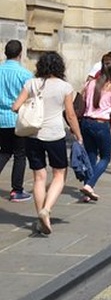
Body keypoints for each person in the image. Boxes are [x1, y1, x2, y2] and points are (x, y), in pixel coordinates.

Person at [12, 51, 84, 235]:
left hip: (33, 135)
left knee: (38, 177)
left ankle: (40, 216)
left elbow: (15, 107)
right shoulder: (65, 87)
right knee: (59, 175)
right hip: (55, 135)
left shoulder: (31, 84)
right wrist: (78, 135)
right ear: (60, 67)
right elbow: (70, 115)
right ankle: (47, 209)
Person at [79, 61, 111, 202]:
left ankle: (87, 191)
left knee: (91, 155)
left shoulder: (90, 84)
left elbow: (83, 99)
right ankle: (89, 185)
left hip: (86, 122)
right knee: (105, 157)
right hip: (101, 124)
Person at [0, 40, 33, 202]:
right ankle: (17, 189)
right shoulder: (25, 74)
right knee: (20, 154)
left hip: (1, 118)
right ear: (20, 53)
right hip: (18, 119)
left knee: (4, 152)